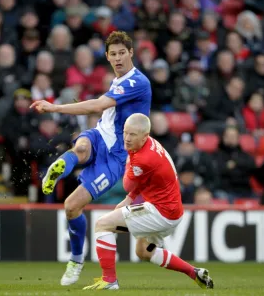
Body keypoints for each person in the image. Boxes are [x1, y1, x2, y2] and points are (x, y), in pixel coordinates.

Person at [30, 31, 152, 285]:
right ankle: (59, 169)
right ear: (107, 57)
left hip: (116, 156)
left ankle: (76, 261)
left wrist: (54, 107)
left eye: (122, 53)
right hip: (99, 135)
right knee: (82, 147)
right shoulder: (118, 81)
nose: (118, 58)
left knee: (71, 206)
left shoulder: (137, 82)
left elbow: (97, 106)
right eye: (113, 54)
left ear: (131, 53)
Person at [83, 113, 214, 290]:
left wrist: (129, 159)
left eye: (132, 135)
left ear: (145, 136)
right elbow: (143, 180)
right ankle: (194, 272)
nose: (127, 139)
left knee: (102, 224)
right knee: (144, 251)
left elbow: (128, 184)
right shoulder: (150, 144)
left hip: (160, 213)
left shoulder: (142, 158)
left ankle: (109, 280)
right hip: (171, 212)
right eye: (125, 133)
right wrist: (128, 199)